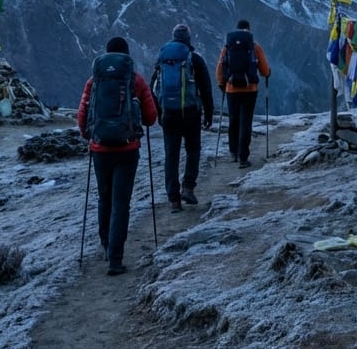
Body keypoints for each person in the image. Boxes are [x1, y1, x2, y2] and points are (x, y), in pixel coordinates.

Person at [77, 35, 158, 275]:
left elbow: (82, 113)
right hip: (127, 149)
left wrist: (89, 136)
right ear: (127, 56)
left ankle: (105, 244)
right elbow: (151, 117)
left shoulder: (94, 81)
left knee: (105, 198)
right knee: (121, 202)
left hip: (100, 149)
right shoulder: (135, 80)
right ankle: (115, 257)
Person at [154, 24, 214, 211]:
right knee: (193, 150)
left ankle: (173, 200)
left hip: (169, 114)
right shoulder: (194, 58)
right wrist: (209, 113)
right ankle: (188, 187)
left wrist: (159, 113)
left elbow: (153, 87)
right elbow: (205, 88)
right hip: (190, 113)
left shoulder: (162, 58)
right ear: (189, 38)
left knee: (171, 155)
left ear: (173, 37)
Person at [216, 19, 270, 167]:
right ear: (249, 30)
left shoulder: (228, 46)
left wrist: (222, 83)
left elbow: (220, 67)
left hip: (231, 89)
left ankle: (233, 152)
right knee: (246, 122)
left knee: (233, 120)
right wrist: (267, 73)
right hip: (249, 89)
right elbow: (264, 69)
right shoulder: (254, 46)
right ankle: (243, 157)